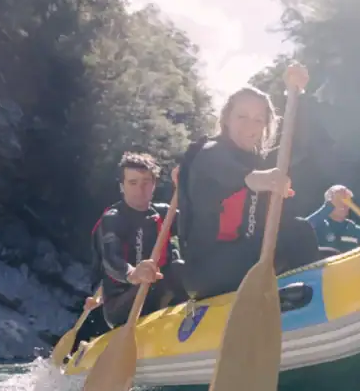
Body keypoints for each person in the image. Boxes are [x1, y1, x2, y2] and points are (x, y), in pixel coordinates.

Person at [176, 63, 322, 300]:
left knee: (301, 231)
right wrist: (262, 179)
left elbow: (297, 146)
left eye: (258, 120)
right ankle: (298, 300)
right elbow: (231, 172)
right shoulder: (209, 152)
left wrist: (296, 94)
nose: (249, 126)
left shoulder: (258, 159)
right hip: (208, 269)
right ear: (227, 119)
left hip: (247, 255)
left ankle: (307, 300)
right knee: (292, 237)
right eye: (242, 117)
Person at [89, 151, 188, 329]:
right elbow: (111, 259)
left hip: (159, 289)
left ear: (154, 184)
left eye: (146, 182)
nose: (140, 189)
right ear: (122, 186)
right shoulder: (112, 219)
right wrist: (133, 274)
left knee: (180, 267)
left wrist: (188, 184)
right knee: (161, 279)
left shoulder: (165, 213)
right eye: (133, 183)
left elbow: (195, 224)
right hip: (122, 304)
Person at [304, 185, 360, 254]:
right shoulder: (318, 227)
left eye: (347, 201)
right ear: (328, 204)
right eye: (339, 201)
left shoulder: (357, 231)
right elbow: (302, 229)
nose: (344, 205)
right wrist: (328, 207)